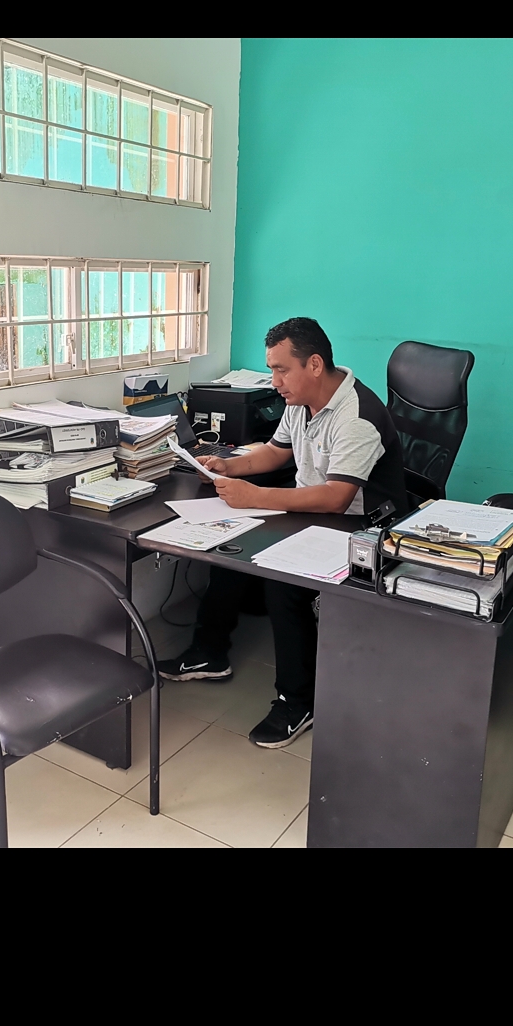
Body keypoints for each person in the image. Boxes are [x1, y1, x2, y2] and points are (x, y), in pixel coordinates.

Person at [158, 318, 406, 748]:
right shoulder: (300, 400)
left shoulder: (357, 417)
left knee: (285, 585)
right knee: (229, 546)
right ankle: (208, 653)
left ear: (314, 364)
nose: (274, 382)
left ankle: (298, 702)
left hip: (360, 527)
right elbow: (275, 453)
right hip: (310, 511)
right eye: (272, 370)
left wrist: (254, 496)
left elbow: (336, 498)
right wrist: (228, 466)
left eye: (280, 370)